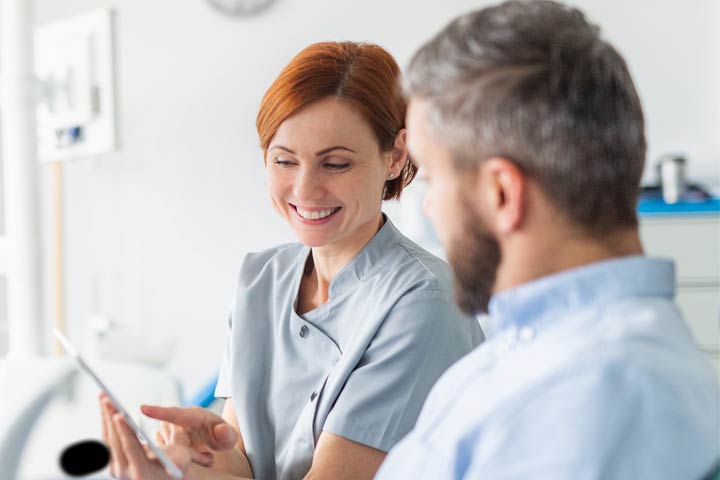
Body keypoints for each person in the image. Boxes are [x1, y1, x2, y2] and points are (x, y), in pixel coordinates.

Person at [99, 41, 484, 480]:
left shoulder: (423, 299)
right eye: (284, 160)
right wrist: (183, 469)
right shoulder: (261, 280)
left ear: (395, 157)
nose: (304, 190)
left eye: (335, 164)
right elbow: (238, 461)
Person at [374, 1, 720, 479]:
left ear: (501, 193)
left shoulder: (587, 404)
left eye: (431, 178)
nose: (429, 206)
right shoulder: (549, 350)